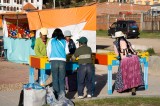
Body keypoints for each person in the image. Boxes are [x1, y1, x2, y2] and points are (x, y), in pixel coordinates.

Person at [113, 31, 144, 96]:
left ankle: (125, 87)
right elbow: (133, 51)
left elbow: (117, 54)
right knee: (133, 74)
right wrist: (137, 54)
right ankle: (133, 88)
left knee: (124, 74)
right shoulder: (127, 42)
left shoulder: (115, 43)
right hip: (133, 58)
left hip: (124, 60)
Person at [47, 28, 69, 99]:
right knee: (62, 78)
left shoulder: (51, 40)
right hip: (62, 61)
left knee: (55, 78)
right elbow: (67, 52)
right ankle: (62, 96)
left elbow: (48, 51)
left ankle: (56, 95)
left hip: (53, 60)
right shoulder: (64, 41)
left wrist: (49, 58)